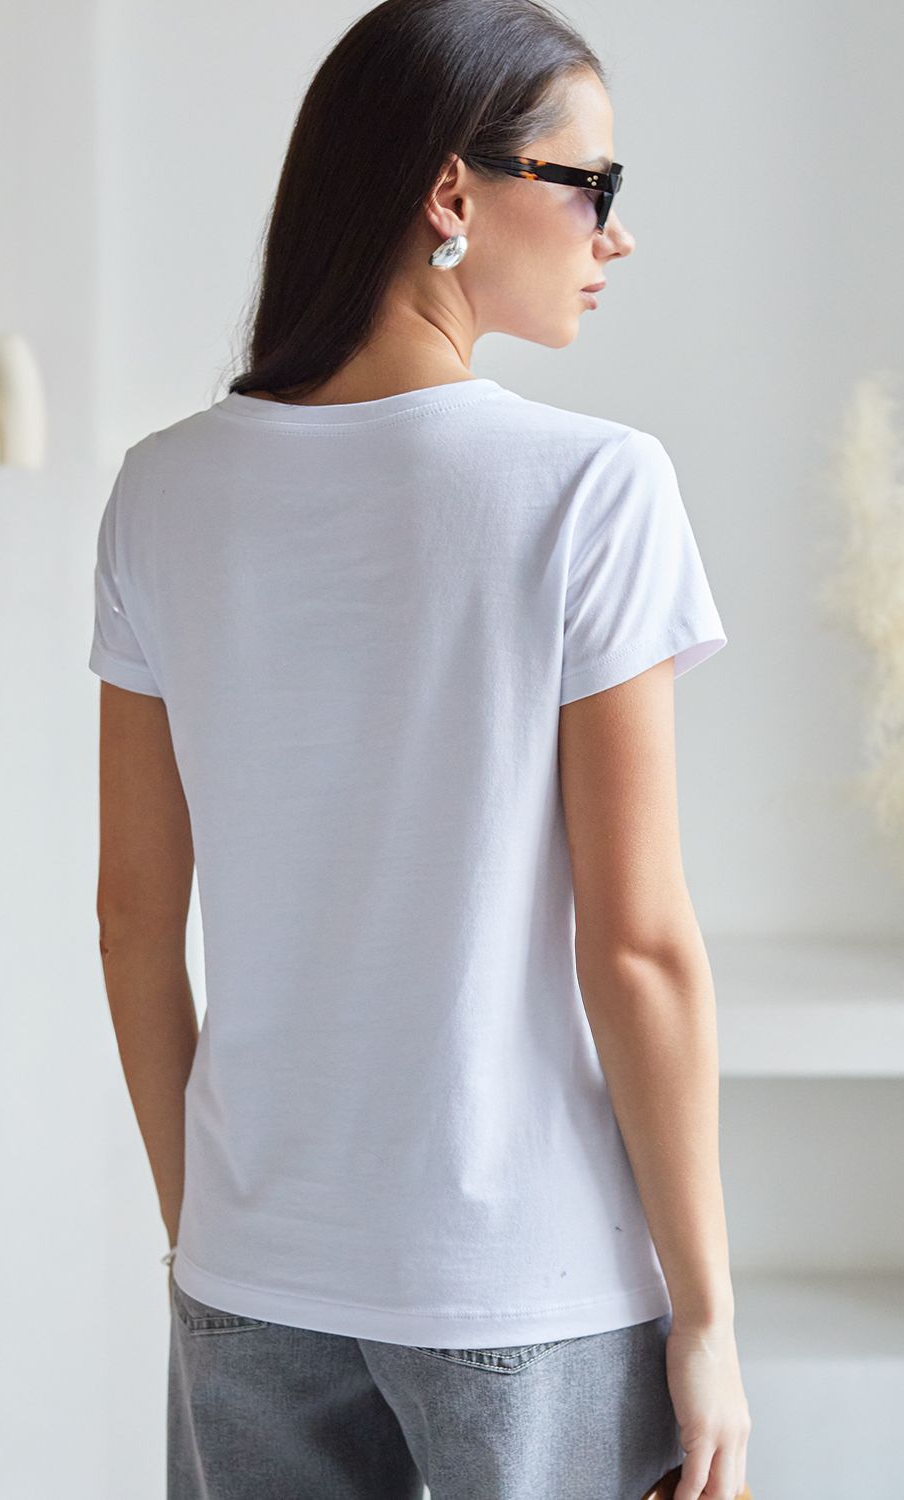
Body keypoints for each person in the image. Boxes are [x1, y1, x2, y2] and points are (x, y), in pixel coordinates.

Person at [89, 1, 751, 1496]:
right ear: (454, 190)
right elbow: (637, 946)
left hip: (251, 1274)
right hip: (526, 1284)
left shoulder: (159, 492)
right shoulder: (592, 489)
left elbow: (132, 920)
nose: (615, 233)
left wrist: (210, 1236)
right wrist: (709, 1318)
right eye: (591, 182)